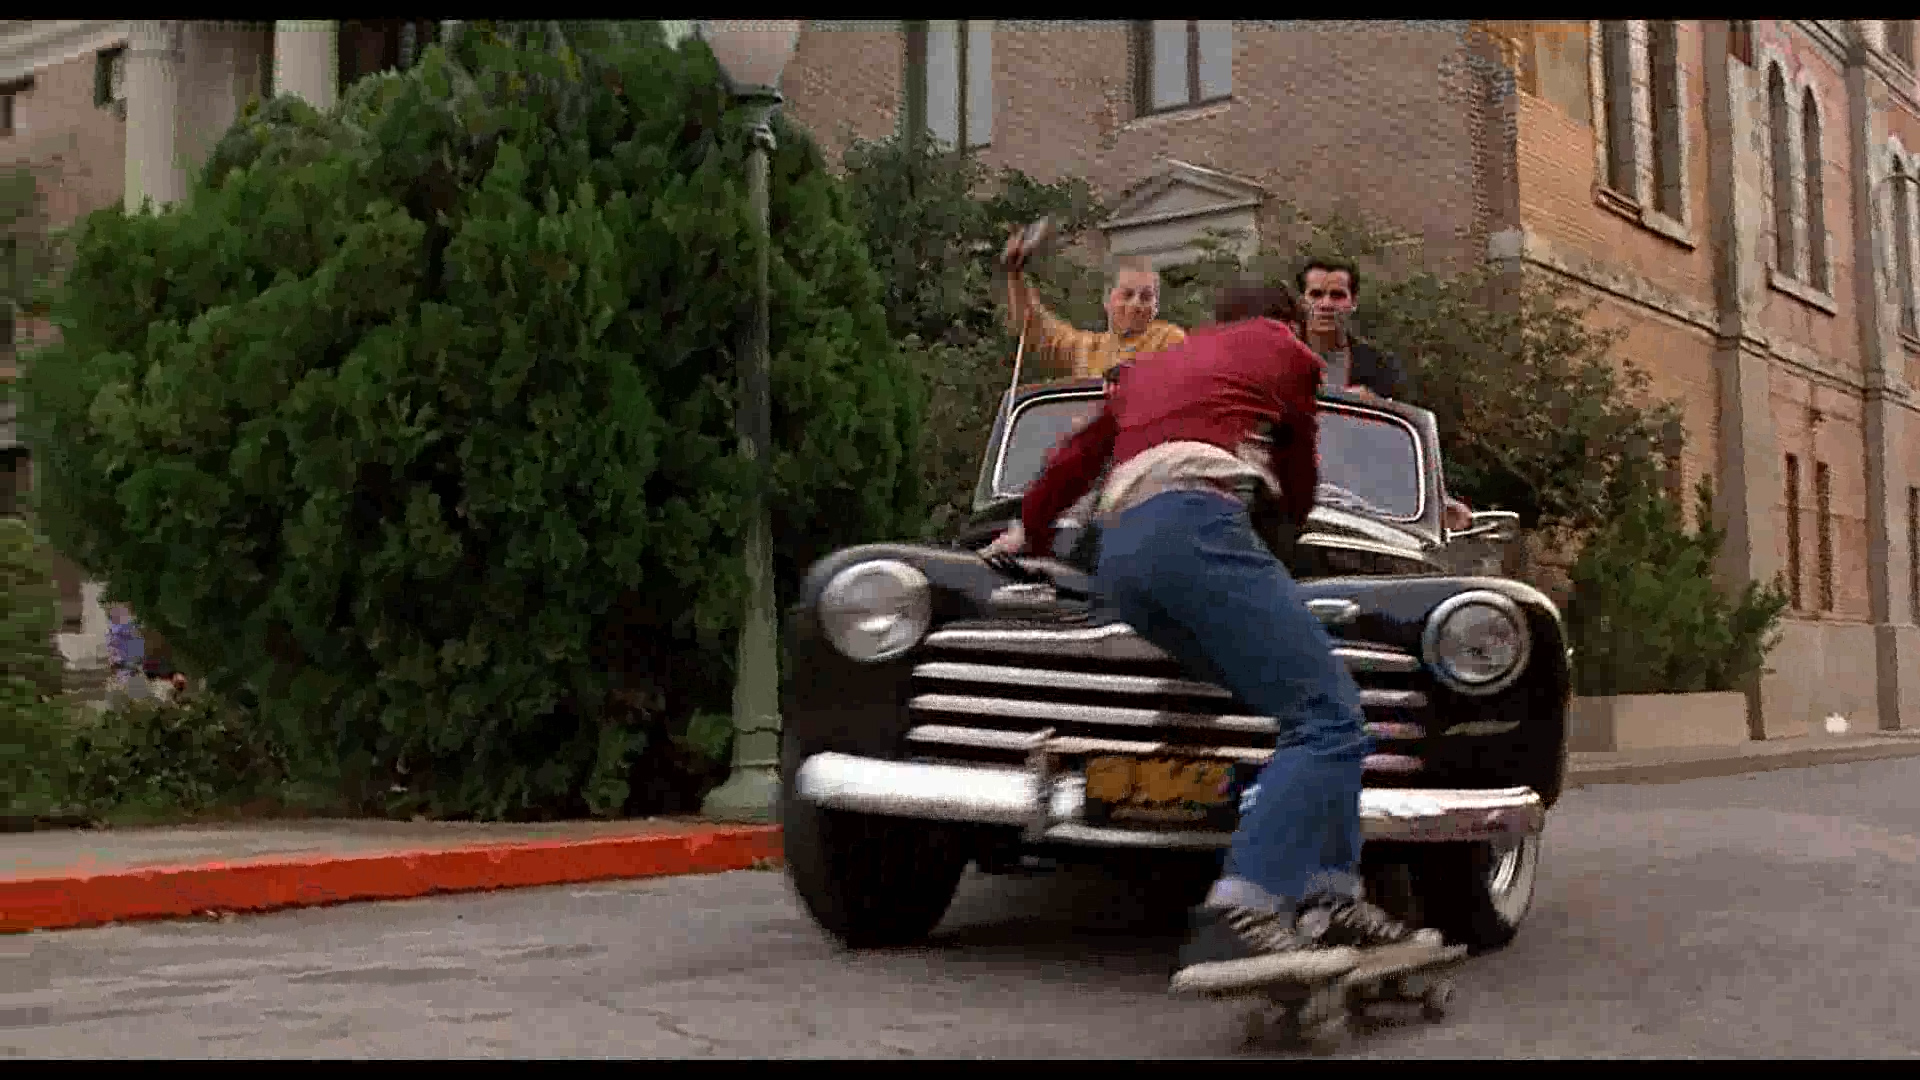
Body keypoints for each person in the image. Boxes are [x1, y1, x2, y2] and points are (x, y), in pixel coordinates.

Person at [983, 280, 1442, 992]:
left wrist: (1030, 532)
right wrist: (1278, 531)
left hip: (1122, 559)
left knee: (1304, 708)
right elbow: (1298, 482)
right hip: (1199, 527)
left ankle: (1332, 897)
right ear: (1287, 320)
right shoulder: (1288, 353)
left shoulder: (1151, 367)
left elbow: (1074, 460)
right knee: (1330, 717)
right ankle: (1243, 908)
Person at [1298, 256, 1474, 532]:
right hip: (1290, 491)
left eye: (1337, 296)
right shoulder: (1278, 354)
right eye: (1316, 294)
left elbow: (1404, 443)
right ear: (1302, 301)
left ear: (1353, 302)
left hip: (1361, 503)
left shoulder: (1379, 366)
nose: (1326, 304)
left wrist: (1441, 500)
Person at [1002, 227, 1187, 381]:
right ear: (1107, 300)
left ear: (1156, 306)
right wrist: (1015, 275)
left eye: (1146, 297)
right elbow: (1037, 327)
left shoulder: (1169, 338)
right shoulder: (1088, 349)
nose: (1136, 304)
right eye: (1127, 295)